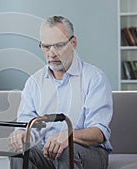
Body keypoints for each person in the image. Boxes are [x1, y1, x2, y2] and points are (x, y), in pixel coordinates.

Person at [8, 16, 113, 169]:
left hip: (90, 152)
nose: (52, 54)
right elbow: (26, 124)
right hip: (48, 152)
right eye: (46, 46)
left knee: (66, 150)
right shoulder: (34, 82)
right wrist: (21, 136)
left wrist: (68, 136)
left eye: (58, 45)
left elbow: (99, 133)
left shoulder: (95, 78)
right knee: (20, 152)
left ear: (73, 43)